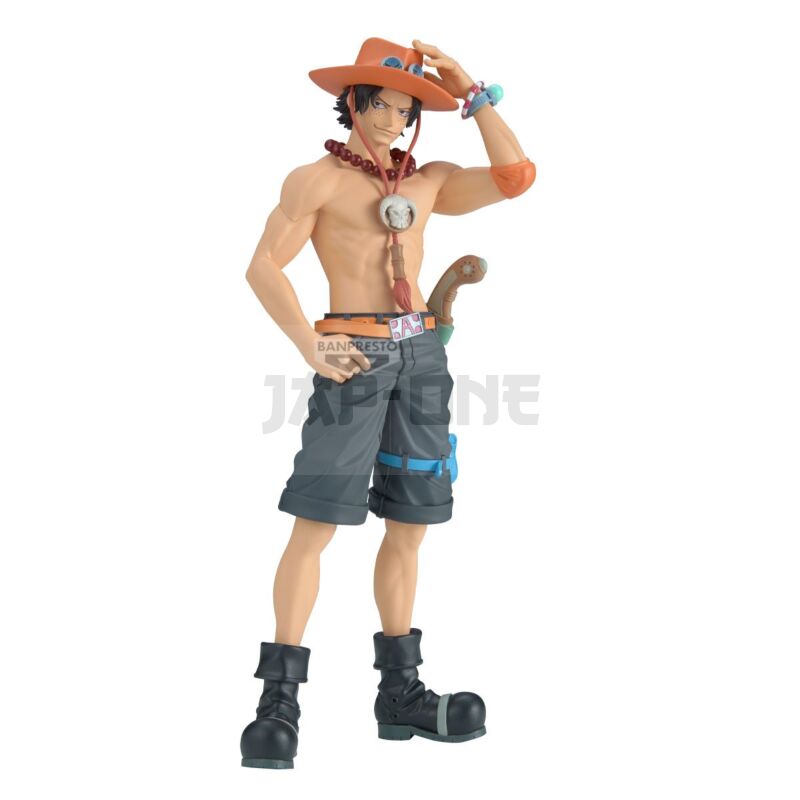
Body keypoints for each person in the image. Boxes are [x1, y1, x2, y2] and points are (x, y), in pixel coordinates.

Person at [240, 37, 536, 769]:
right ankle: (278, 701)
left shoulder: (428, 182)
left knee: (411, 521)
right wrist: (308, 343)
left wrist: (472, 94)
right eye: (383, 105)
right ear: (354, 102)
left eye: (407, 111)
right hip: (355, 357)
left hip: (423, 358)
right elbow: (263, 265)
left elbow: (516, 176)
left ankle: (399, 694)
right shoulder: (317, 181)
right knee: (317, 519)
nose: (394, 120)